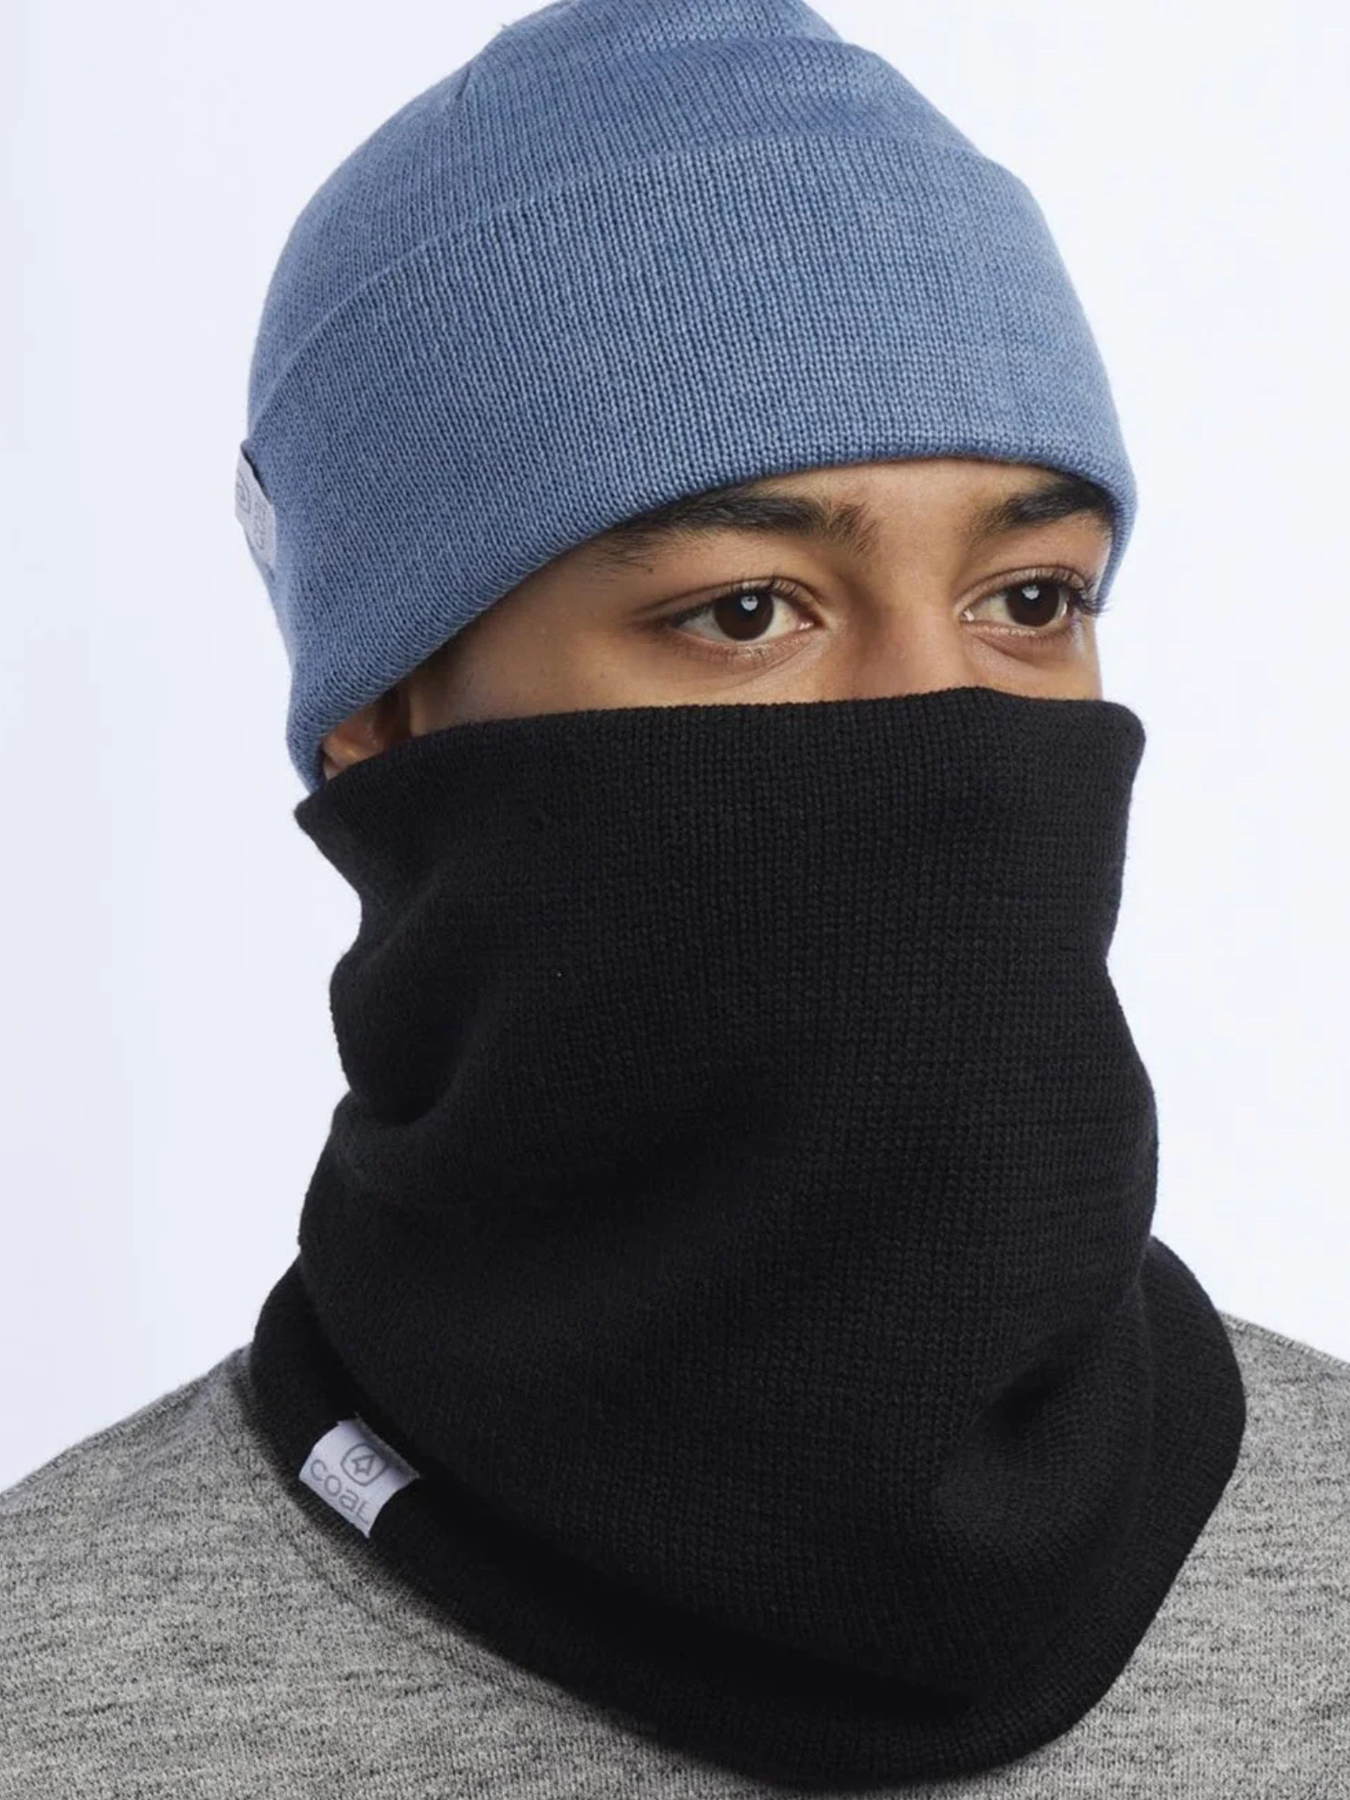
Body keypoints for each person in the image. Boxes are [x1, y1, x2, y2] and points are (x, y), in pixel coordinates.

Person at [3, 1, 1346, 1794]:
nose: (938, 725)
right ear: (380, 719)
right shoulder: (52, 1684)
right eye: (743, 610)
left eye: (1029, 600)